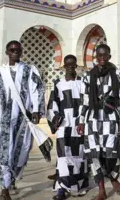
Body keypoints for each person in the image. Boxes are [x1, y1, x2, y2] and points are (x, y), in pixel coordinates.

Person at [0, 40, 45, 200]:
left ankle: (11, 178)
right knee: (3, 153)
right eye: (12, 50)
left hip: (23, 120)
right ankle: (4, 189)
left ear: (21, 51)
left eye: (18, 49)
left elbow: (37, 90)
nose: (15, 52)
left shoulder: (29, 70)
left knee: (21, 151)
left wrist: (36, 110)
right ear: (7, 52)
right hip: (3, 120)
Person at [77, 44, 120, 200]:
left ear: (109, 57)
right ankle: (101, 189)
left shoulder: (117, 74)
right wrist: (81, 121)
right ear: (96, 57)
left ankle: (113, 178)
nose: (102, 58)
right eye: (99, 55)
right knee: (94, 154)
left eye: (105, 55)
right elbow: (84, 100)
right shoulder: (87, 76)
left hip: (111, 118)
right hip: (92, 120)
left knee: (112, 153)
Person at [47, 55, 89, 199]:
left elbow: (86, 102)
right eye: (68, 65)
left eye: (73, 65)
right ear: (64, 66)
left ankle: (77, 186)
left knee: (78, 156)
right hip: (63, 126)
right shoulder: (58, 83)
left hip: (78, 125)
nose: (71, 68)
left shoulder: (83, 83)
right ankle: (61, 188)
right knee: (63, 157)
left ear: (76, 66)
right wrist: (55, 118)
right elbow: (52, 103)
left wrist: (82, 120)